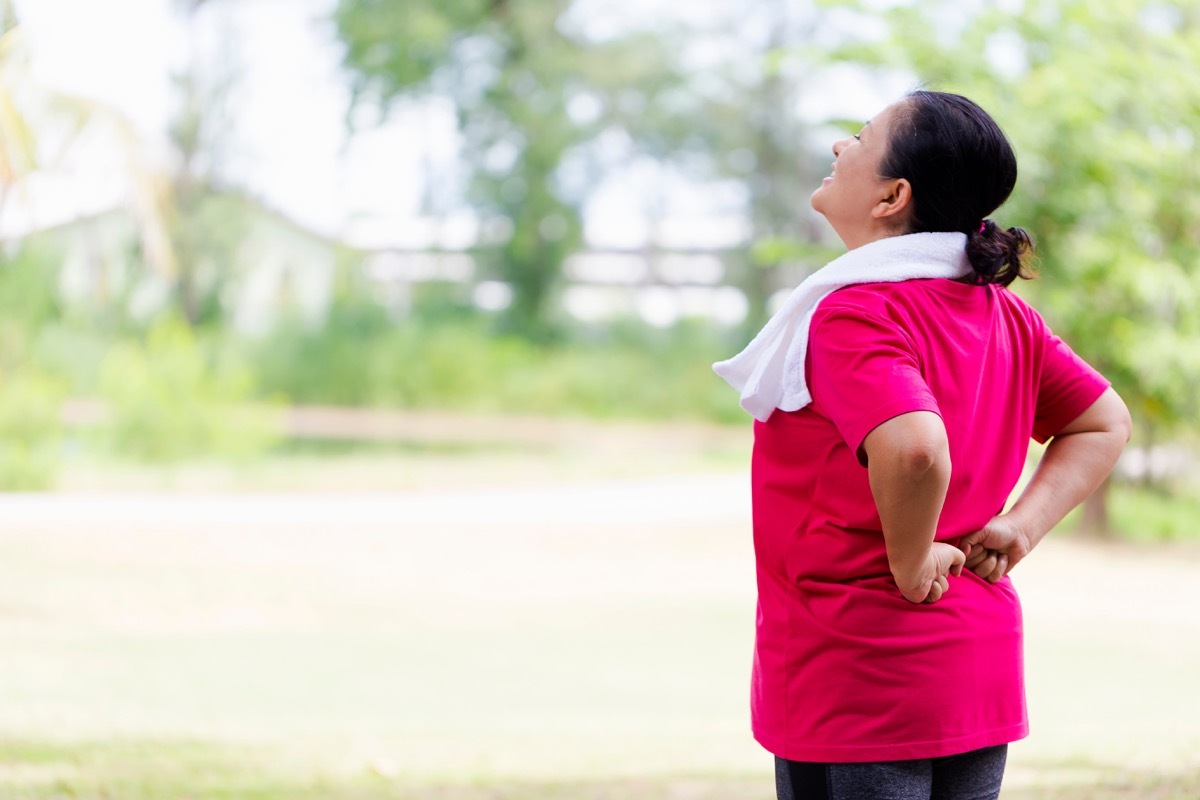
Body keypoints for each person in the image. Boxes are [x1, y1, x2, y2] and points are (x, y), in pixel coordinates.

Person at [712, 90, 1131, 800]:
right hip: (975, 668)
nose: (839, 146)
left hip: (858, 678)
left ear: (892, 197)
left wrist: (910, 564)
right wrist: (1021, 527)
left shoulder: (856, 312)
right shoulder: (1005, 316)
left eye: (860, 137)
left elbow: (914, 446)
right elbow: (1104, 421)